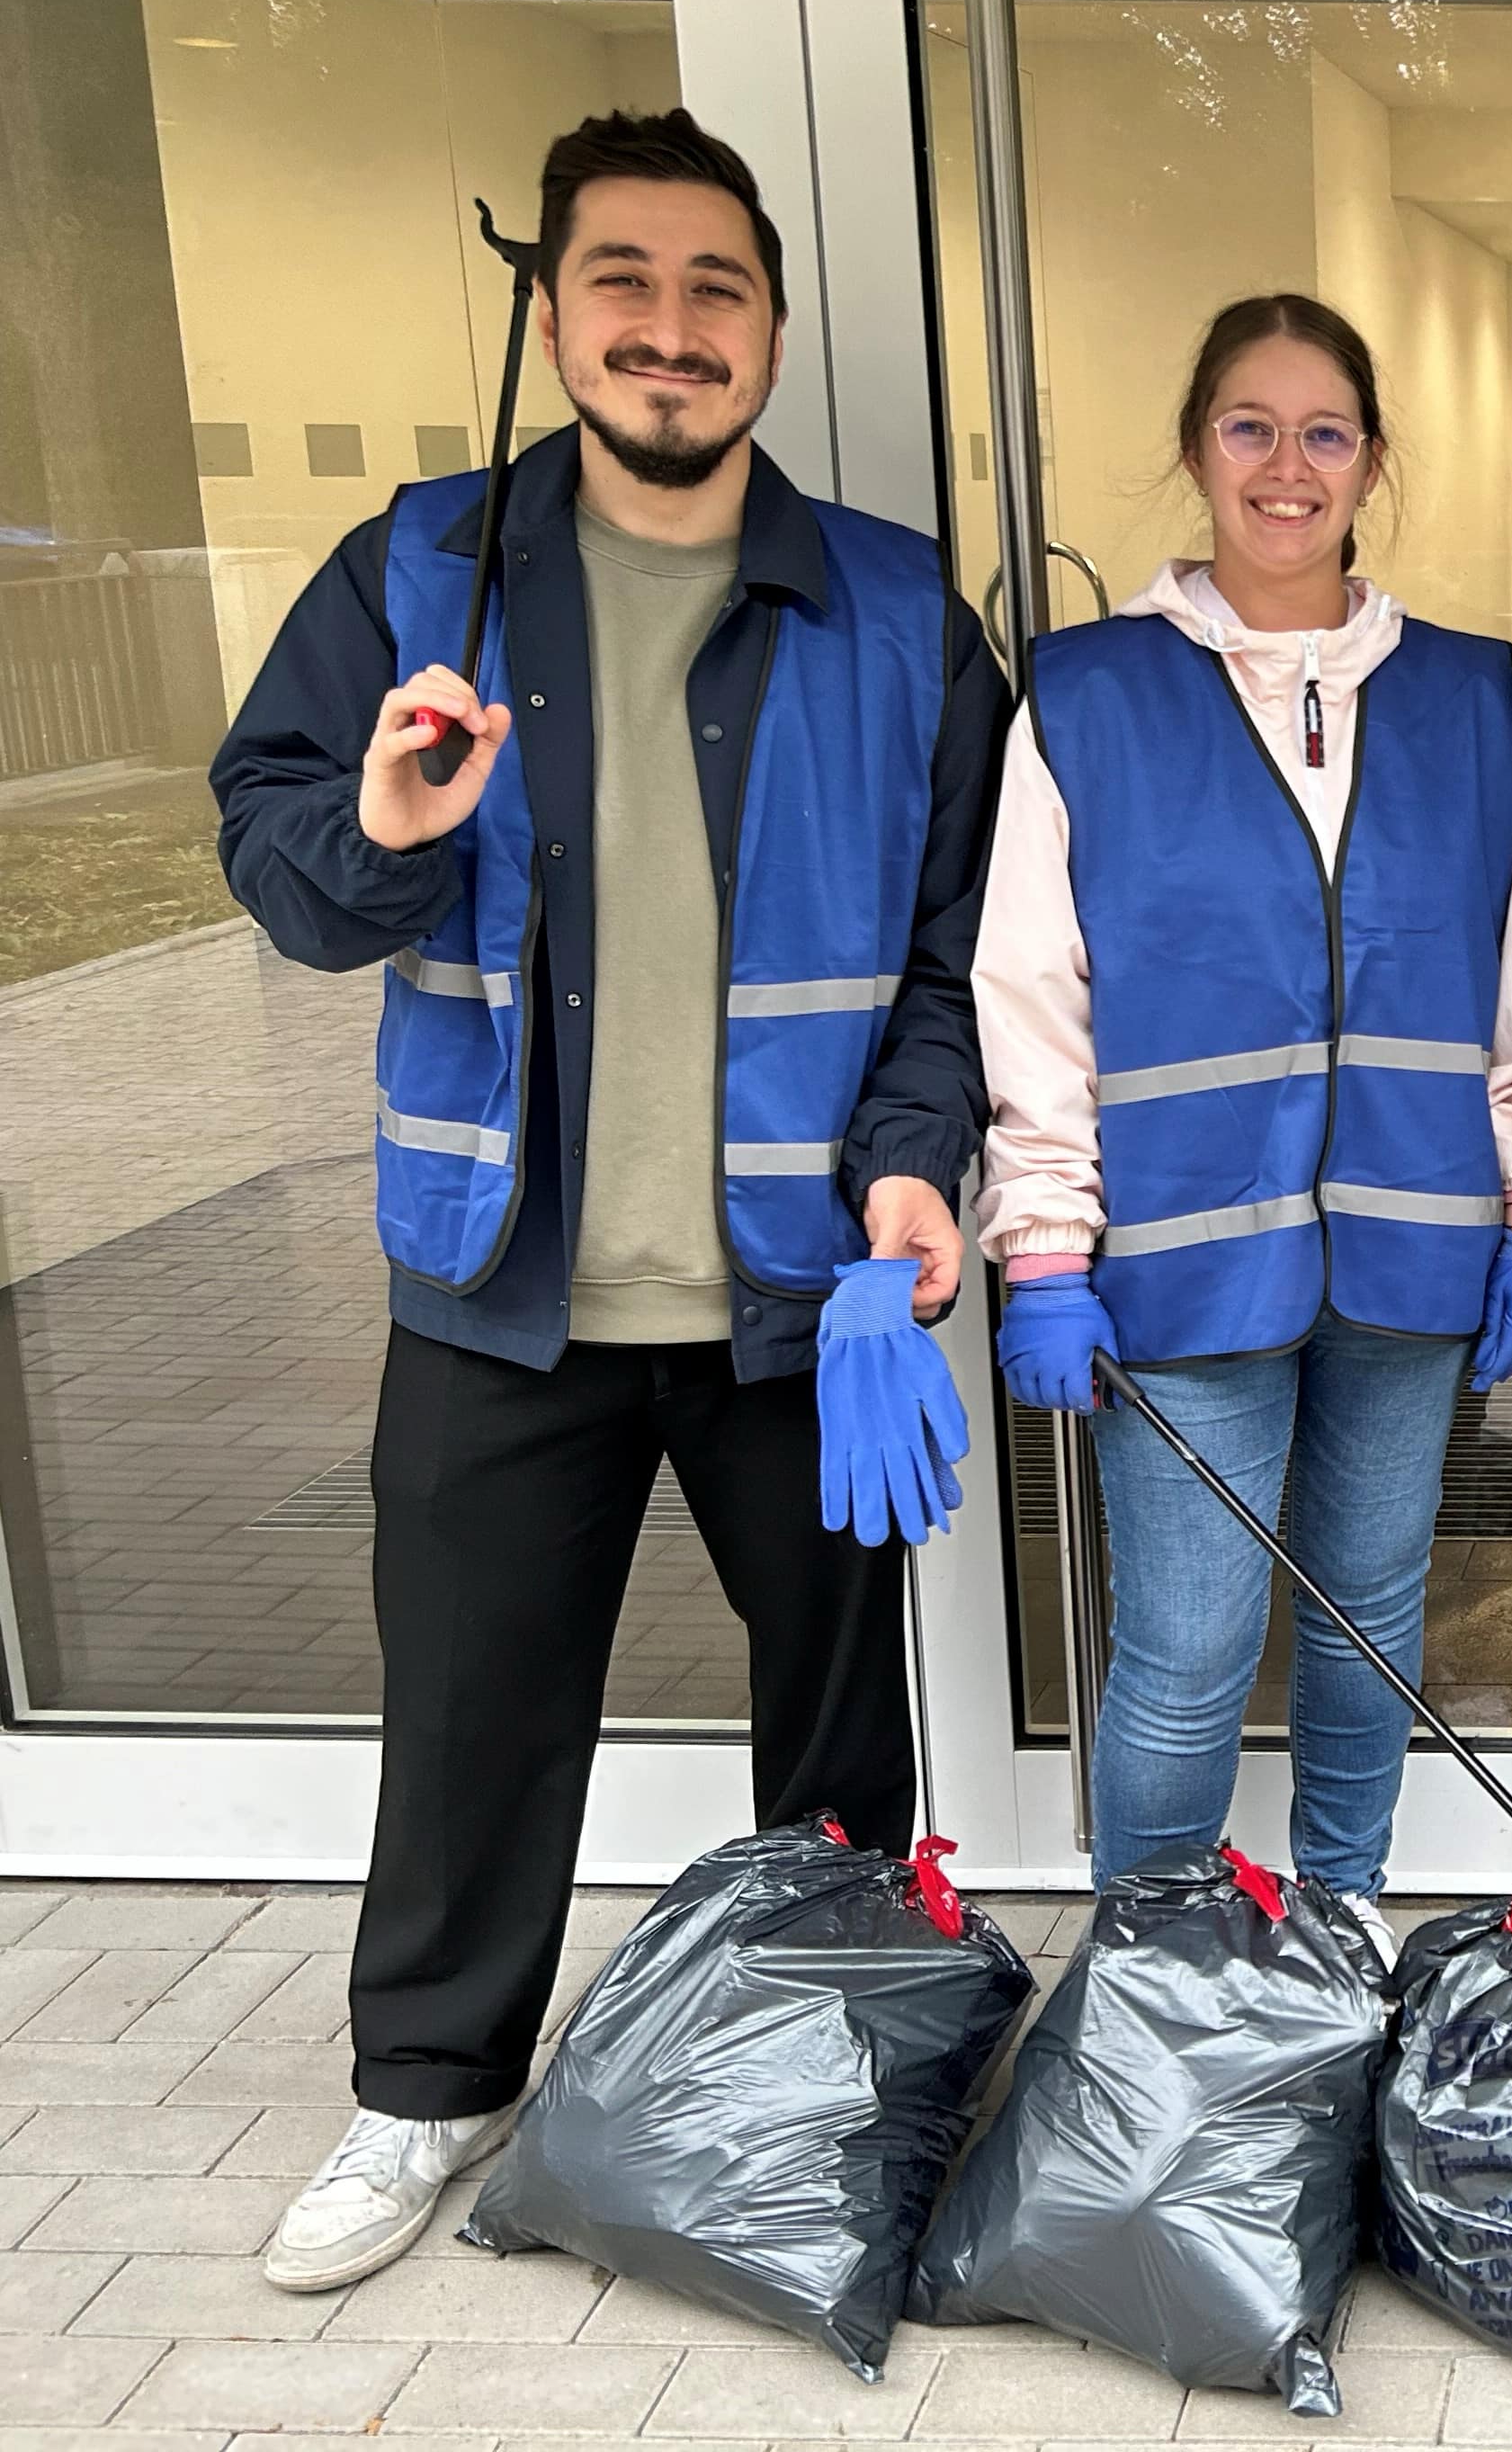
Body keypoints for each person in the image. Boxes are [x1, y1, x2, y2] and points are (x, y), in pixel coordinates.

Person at [213, 110, 1008, 2291]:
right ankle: (427, 2091)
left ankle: (835, 2088)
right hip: (502, 1291)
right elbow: (279, 863)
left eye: (715, 288)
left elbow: (954, 960)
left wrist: (914, 1169)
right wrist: (384, 828)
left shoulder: (897, 614)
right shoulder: (419, 572)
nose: (672, 328)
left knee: (838, 1744)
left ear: (773, 331)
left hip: (797, 1303)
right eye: (624, 285)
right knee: (472, 1724)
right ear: (556, 319)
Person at [972, 293, 1512, 1922]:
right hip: (1179, 1261)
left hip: (1415, 1255)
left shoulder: (1478, 698)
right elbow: (1031, 987)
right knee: (1185, 1652)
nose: (1286, 467)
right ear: (1195, 448)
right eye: (1250, 427)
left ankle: (1339, 1933)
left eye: (1324, 433)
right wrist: (1046, 1247)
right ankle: (1151, 1978)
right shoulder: (1087, 695)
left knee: (1367, 1625)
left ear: (1370, 458)